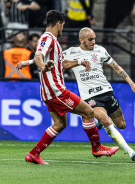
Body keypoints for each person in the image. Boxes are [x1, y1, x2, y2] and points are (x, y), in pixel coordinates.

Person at [16, 10, 118, 165]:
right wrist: (43, 67)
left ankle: (33, 154)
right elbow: (38, 56)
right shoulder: (47, 38)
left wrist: (79, 62)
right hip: (56, 90)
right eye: (62, 24)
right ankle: (97, 148)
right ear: (59, 23)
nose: (62, 27)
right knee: (89, 112)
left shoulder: (53, 42)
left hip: (48, 92)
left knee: (60, 124)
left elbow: (62, 64)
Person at [63, 28, 135, 162]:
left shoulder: (100, 50)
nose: (93, 41)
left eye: (94, 38)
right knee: (107, 121)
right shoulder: (71, 52)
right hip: (90, 97)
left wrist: (132, 84)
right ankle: (130, 152)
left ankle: (99, 120)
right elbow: (59, 62)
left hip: (107, 92)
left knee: (122, 125)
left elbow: (116, 67)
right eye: (90, 39)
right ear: (81, 40)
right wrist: (30, 62)